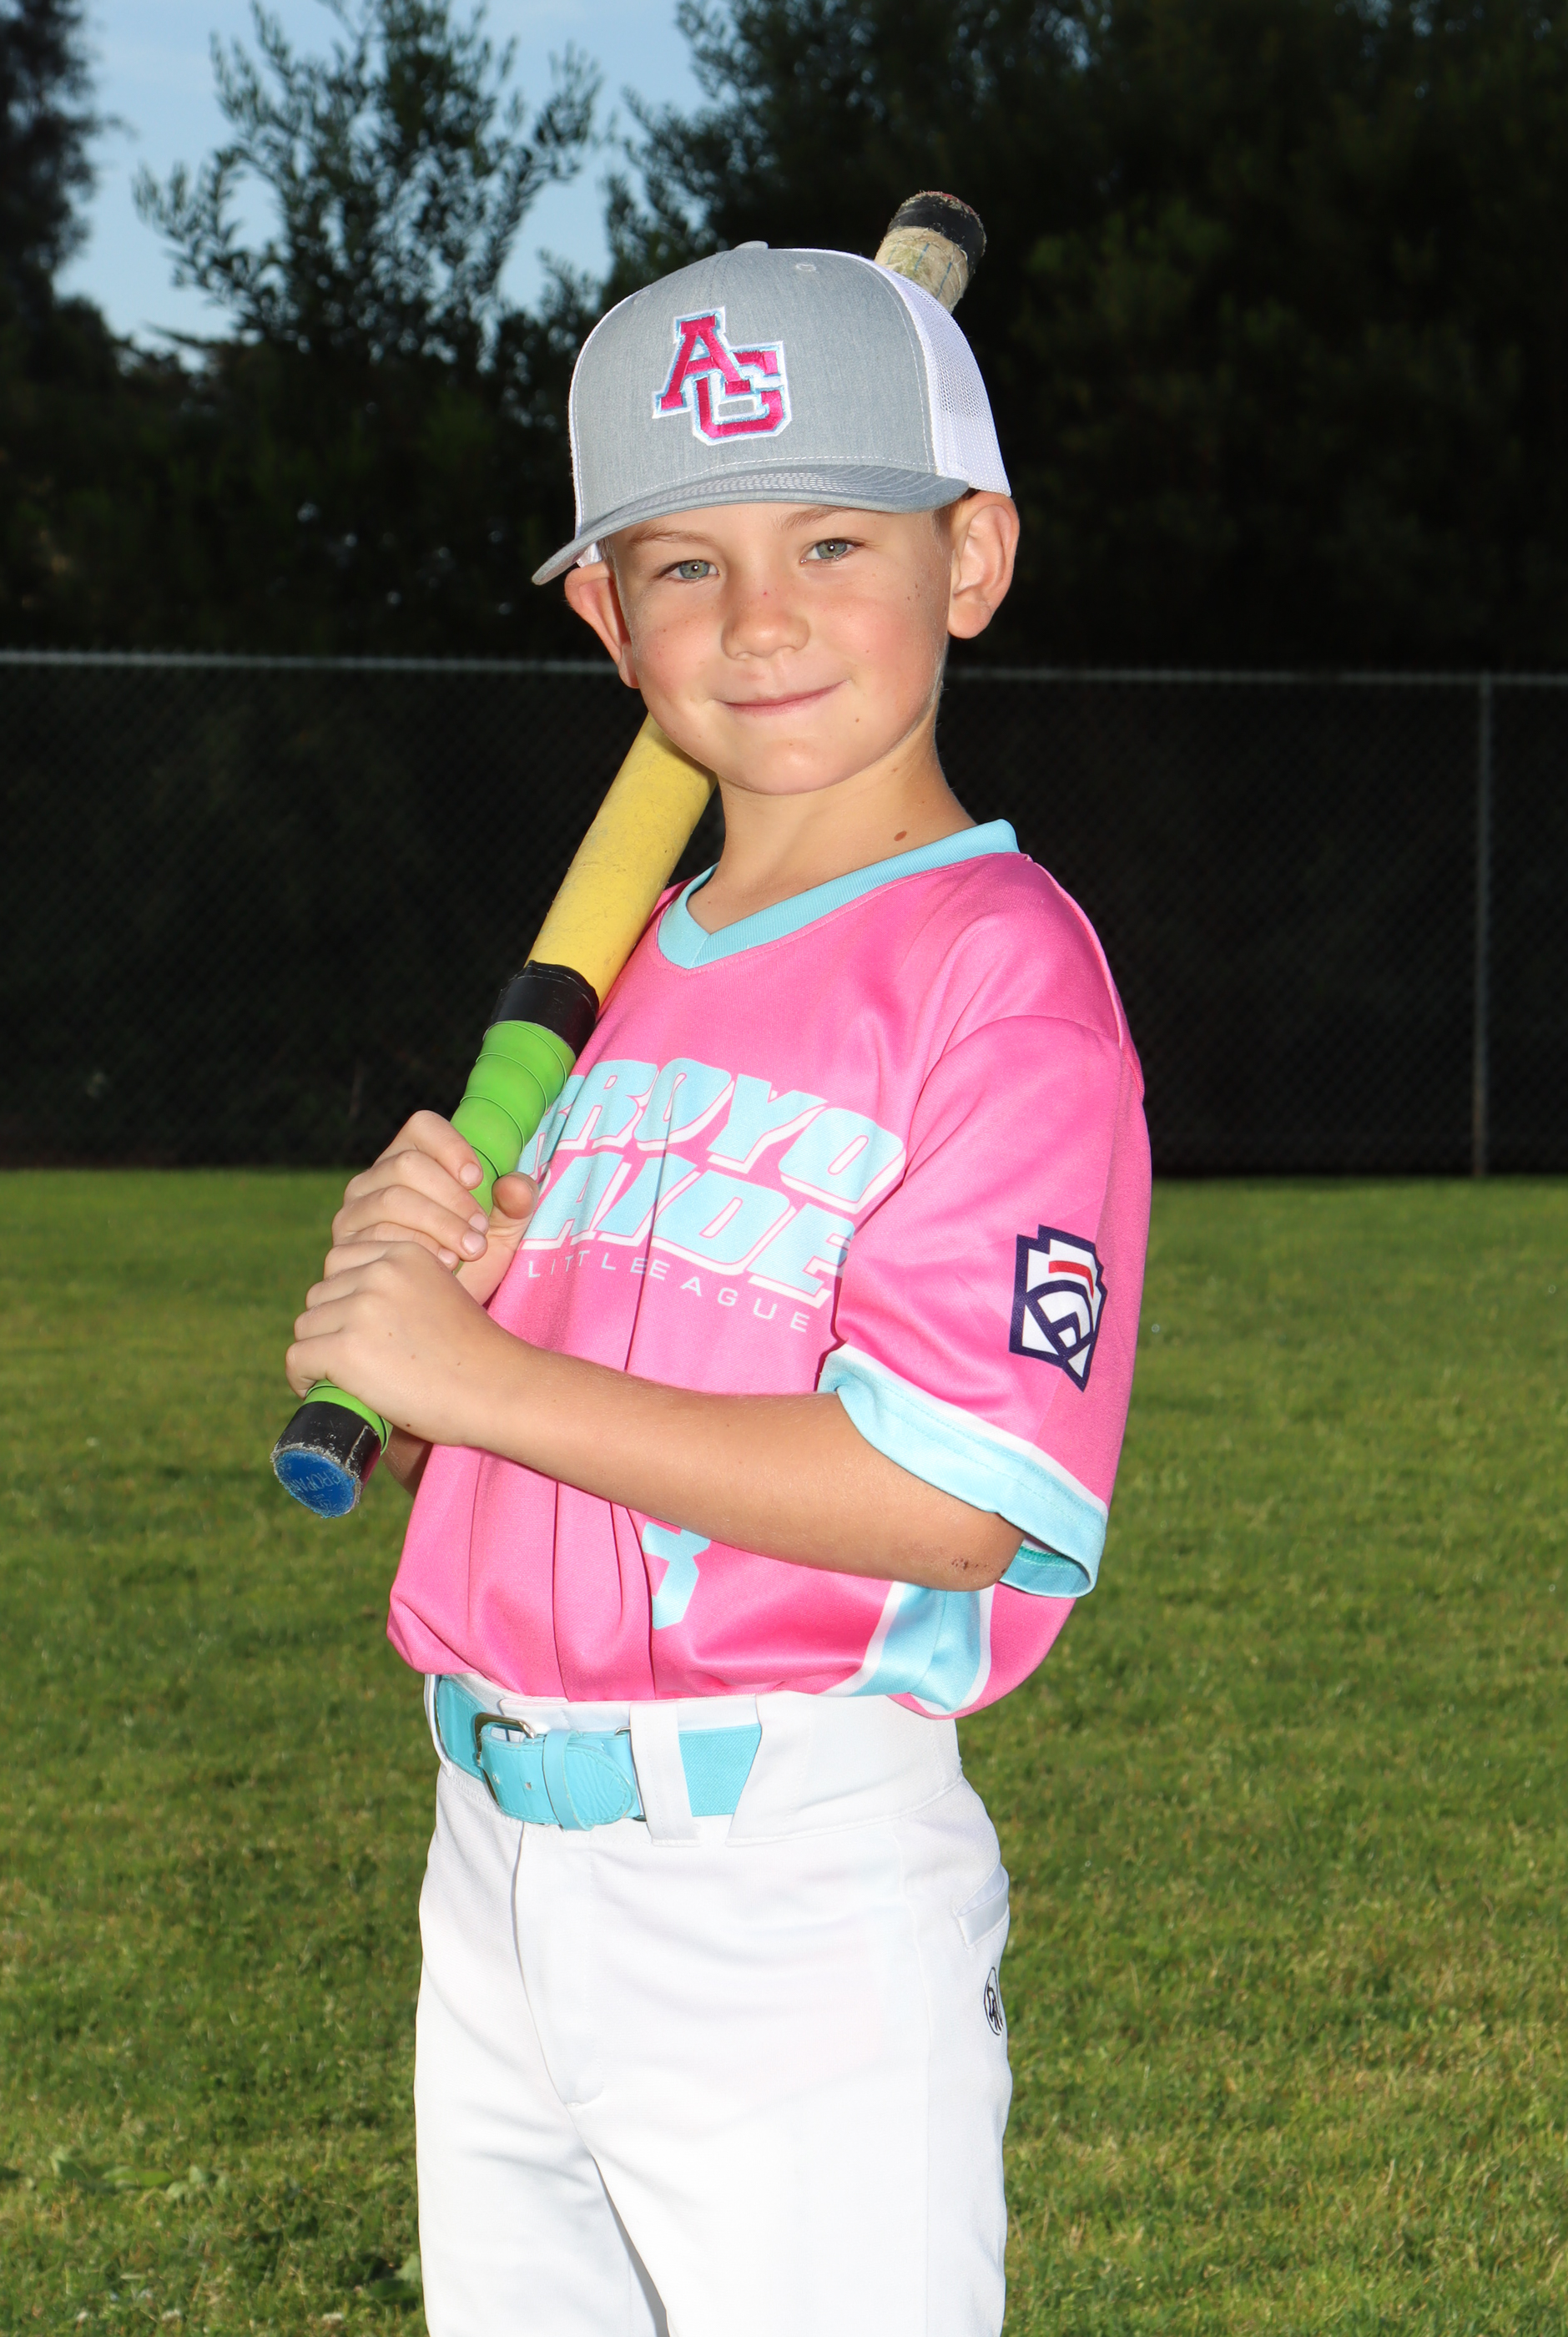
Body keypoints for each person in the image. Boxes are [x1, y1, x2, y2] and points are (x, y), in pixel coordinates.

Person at [286, 239, 1151, 2336]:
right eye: (684, 564)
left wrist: (480, 1380)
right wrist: (452, 1324)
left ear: (972, 556)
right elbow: (577, 1457)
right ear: (607, 616)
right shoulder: (624, 980)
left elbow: (951, 1494)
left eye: (832, 540)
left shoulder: (997, 977)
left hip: (784, 1892)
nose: (758, 619)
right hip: (493, 1862)